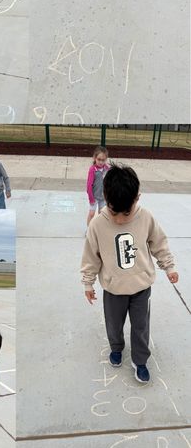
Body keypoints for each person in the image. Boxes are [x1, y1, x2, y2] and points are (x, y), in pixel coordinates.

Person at [81, 164, 179, 383]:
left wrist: (169, 266)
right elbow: (90, 257)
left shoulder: (146, 218)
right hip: (113, 289)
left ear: (137, 198)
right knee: (113, 325)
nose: (120, 219)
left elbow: (159, 243)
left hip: (141, 288)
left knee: (141, 326)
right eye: (114, 211)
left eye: (127, 212)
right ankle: (116, 347)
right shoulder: (97, 224)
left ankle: (140, 360)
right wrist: (88, 283)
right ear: (105, 197)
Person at [86, 145, 110, 227]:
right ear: (94, 158)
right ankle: (89, 229)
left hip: (103, 197)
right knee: (92, 213)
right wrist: (91, 198)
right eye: (99, 159)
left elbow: (109, 182)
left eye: (103, 160)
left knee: (101, 214)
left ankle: (99, 230)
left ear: (106, 159)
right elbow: (89, 185)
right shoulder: (93, 170)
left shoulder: (107, 169)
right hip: (94, 196)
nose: (101, 162)